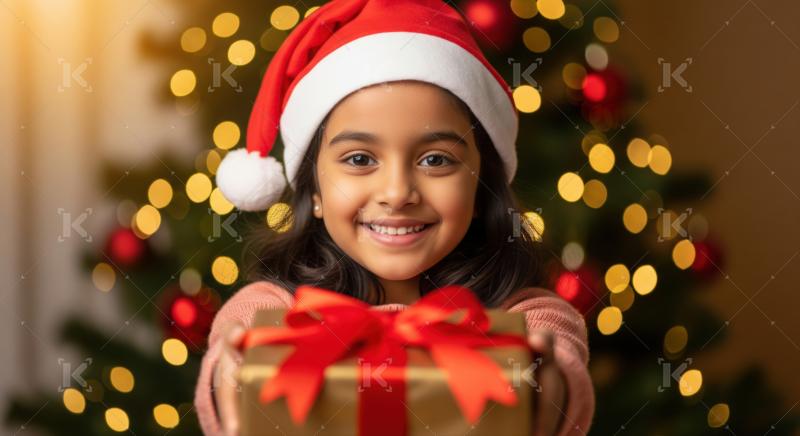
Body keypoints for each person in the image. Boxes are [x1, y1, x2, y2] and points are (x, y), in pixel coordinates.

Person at [195, 1, 595, 435]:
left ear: (481, 187)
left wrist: (548, 391)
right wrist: (229, 383)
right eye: (361, 158)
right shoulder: (269, 308)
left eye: (436, 160)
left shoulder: (529, 313)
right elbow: (230, 361)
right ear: (314, 194)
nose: (397, 193)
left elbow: (560, 360)